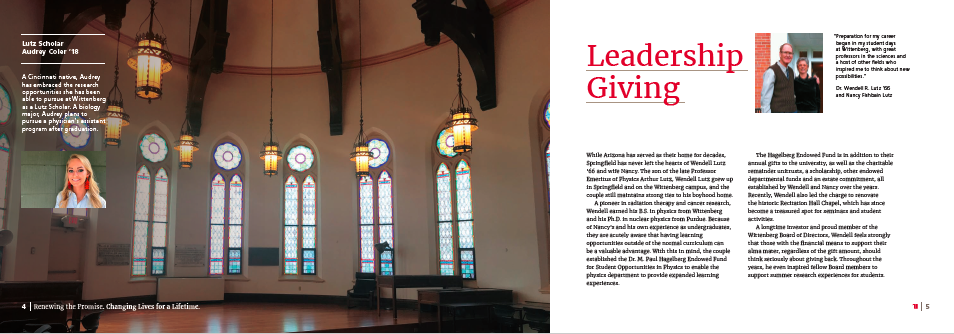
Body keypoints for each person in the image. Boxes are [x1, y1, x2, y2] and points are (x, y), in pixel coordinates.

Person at [759, 43, 796, 113]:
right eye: (785, 52)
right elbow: (765, 98)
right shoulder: (771, 71)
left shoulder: (792, 72)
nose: (788, 55)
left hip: (793, 111)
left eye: (790, 53)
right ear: (780, 54)